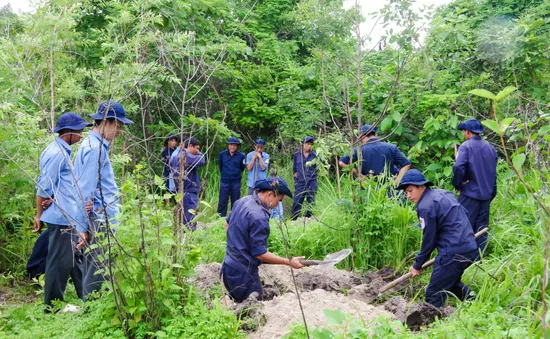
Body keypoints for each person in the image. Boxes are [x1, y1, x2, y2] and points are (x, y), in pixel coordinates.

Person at [74, 100, 133, 300]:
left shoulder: (94, 145)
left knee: (98, 264)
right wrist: (82, 226)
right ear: (106, 122)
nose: (120, 131)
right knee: (97, 267)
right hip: (100, 217)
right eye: (118, 126)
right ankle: (91, 308)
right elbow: (85, 188)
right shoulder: (95, 149)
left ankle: (93, 304)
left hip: (100, 215)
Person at [34, 112, 92, 308]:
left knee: (76, 256)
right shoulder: (58, 154)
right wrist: (38, 215)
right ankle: (52, 306)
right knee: (59, 262)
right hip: (61, 217)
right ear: (68, 133)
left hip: (68, 214)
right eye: (79, 131)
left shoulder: (58, 150)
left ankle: (89, 297)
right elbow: (44, 185)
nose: (81, 135)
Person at [397, 169, 478, 308]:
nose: (408, 195)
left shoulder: (425, 206)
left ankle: (431, 325)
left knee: (434, 292)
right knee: (450, 282)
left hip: (453, 252)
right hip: (470, 247)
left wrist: (417, 264)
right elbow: (464, 213)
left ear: (421, 186)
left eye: (410, 190)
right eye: (406, 193)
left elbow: (429, 238)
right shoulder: (443, 193)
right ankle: (477, 304)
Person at [221, 176, 304, 302]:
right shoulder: (259, 217)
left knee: (238, 308)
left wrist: (236, 243)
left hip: (228, 266)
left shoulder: (243, 201)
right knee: (254, 310)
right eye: (279, 200)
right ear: (270, 194)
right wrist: (289, 261)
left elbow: (226, 224)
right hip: (244, 273)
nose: (277, 205)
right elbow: (260, 253)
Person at [453, 119, 498, 254]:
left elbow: (458, 167)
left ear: (467, 131)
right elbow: (493, 174)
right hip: (486, 195)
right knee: (481, 230)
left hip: (470, 194)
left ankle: (462, 258)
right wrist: (492, 193)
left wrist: (458, 184)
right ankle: (478, 260)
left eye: (463, 131)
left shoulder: (465, 147)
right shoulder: (490, 148)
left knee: (463, 226)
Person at [339, 124, 411, 185]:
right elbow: (406, 164)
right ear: (375, 134)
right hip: (389, 186)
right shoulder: (391, 147)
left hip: (368, 187)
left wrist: (358, 174)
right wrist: (396, 182)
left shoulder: (358, 150)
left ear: (362, 137)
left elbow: (342, 162)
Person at [170, 137, 205, 231]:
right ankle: (189, 240)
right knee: (189, 220)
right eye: (197, 148)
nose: (198, 151)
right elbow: (201, 160)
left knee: (183, 217)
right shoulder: (186, 156)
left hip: (182, 191)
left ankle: (183, 238)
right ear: (190, 146)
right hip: (188, 191)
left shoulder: (177, 155)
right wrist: (199, 153)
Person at [217, 136, 246, 217]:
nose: (232, 147)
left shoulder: (241, 156)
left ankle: (234, 217)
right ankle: (220, 217)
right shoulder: (222, 154)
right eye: (230, 145)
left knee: (236, 201)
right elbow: (220, 166)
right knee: (222, 200)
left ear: (237, 146)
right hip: (225, 181)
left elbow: (242, 168)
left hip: (236, 182)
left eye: (234, 145)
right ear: (228, 145)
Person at [291, 136, 317, 220]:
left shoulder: (314, 155)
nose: (309, 146)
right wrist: (296, 180)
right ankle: (294, 219)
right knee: (297, 200)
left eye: (310, 144)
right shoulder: (296, 155)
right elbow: (294, 169)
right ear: (303, 144)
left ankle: (308, 218)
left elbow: (317, 168)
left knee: (311, 200)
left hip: (311, 180)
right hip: (300, 181)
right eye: (307, 144)